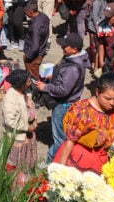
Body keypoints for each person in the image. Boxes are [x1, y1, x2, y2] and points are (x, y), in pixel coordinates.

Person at [53, 73, 114, 173]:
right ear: (97, 92)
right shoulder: (81, 110)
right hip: (76, 161)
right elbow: (69, 142)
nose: (112, 103)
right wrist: (61, 169)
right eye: (107, 98)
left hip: (99, 160)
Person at [35, 33, 91, 162]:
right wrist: (53, 77)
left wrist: (45, 87)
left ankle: (52, 162)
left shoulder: (72, 68)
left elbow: (63, 90)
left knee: (60, 137)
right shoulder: (75, 59)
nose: (62, 48)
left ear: (74, 49)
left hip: (64, 105)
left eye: (65, 46)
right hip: (68, 103)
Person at [1, 70, 37, 174]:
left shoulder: (25, 92)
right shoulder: (10, 99)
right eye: (29, 81)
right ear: (21, 84)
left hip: (27, 136)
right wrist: (27, 127)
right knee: (16, 167)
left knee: (28, 165)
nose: (31, 83)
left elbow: (31, 107)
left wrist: (35, 120)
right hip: (17, 138)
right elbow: (10, 121)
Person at [21, 1, 50, 78]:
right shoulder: (44, 17)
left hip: (34, 56)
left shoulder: (35, 27)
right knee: (34, 73)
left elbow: (35, 46)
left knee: (32, 76)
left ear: (30, 12)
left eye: (26, 12)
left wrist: (27, 56)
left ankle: (35, 89)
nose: (25, 14)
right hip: (41, 50)